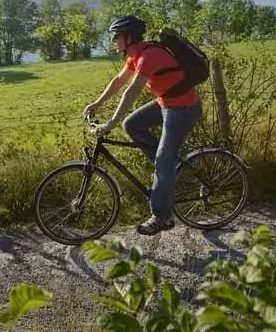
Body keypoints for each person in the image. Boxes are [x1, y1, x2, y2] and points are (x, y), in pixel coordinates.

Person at [84, 15, 204, 236]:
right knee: (132, 125)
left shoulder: (149, 55)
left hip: (184, 108)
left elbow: (132, 91)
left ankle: (162, 217)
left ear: (128, 37)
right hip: (165, 103)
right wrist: (97, 104)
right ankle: (166, 171)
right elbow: (118, 81)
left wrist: (110, 123)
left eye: (115, 37)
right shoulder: (135, 54)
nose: (113, 41)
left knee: (162, 159)